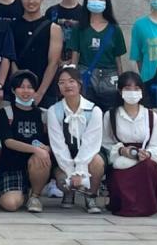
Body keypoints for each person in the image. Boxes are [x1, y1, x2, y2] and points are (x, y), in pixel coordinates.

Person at [103, 71, 157, 217]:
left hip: (144, 159)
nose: (132, 92)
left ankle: (146, 205)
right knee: (120, 172)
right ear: (120, 91)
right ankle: (126, 205)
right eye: (128, 88)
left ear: (141, 91)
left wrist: (147, 154)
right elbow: (105, 143)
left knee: (148, 167)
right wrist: (121, 151)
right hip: (122, 159)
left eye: (136, 88)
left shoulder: (151, 116)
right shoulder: (111, 116)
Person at [47, 65, 105, 213]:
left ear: (79, 84)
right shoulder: (54, 111)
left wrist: (79, 171)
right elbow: (58, 145)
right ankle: (68, 192)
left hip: (87, 155)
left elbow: (91, 144)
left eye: (71, 81)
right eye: (62, 82)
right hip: (64, 157)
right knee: (62, 178)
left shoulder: (94, 110)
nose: (67, 85)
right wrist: (71, 172)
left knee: (97, 161)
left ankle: (91, 195)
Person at [0, 70, 50, 213]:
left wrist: (45, 149)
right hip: (11, 166)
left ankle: (35, 196)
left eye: (30, 87)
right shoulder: (6, 112)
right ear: (14, 90)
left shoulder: (42, 114)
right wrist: (35, 149)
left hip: (35, 164)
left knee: (41, 156)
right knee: (10, 204)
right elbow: (8, 141)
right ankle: (24, 193)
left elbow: (49, 142)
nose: (26, 91)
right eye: (21, 87)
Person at [68, 0, 125, 113]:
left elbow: (118, 59)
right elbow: (75, 55)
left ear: (106, 2)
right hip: (86, 75)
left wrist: (122, 83)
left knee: (110, 114)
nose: (96, 2)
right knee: (87, 113)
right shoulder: (79, 27)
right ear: (86, 1)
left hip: (110, 76)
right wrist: (73, 78)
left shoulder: (114, 29)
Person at [12, 0, 62, 106]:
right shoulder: (12, 26)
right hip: (17, 89)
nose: (31, 2)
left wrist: (39, 93)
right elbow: (10, 58)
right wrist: (20, 88)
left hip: (46, 91)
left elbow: (53, 63)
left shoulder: (53, 28)